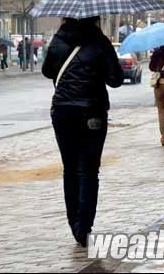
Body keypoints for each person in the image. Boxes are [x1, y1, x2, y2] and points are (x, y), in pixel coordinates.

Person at [42, 17, 123, 247]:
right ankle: (83, 226)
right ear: (95, 17)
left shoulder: (59, 40)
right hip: (92, 111)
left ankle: (73, 222)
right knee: (88, 170)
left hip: (63, 111)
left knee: (70, 168)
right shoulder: (100, 42)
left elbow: (48, 72)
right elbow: (116, 79)